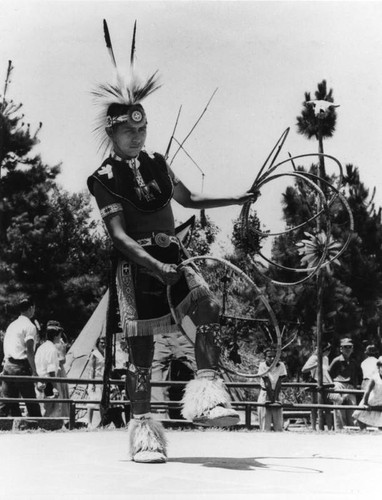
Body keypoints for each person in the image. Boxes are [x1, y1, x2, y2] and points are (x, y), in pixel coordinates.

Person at [87, 22, 258, 463]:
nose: (138, 137)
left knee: (207, 307)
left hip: (174, 253)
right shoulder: (103, 179)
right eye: (129, 132)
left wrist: (235, 196)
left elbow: (189, 199)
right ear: (113, 133)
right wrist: (152, 264)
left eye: (142, 130)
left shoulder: (159, 162)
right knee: (141, 349)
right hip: (136, 264)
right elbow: (120, 236)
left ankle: (207, 396)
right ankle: (144, 434)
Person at [0, 295, 41, 418]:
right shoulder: (30, 326)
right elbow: (29, 350)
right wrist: (34, 370)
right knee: (30, 400)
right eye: (33, 308)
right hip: (20, 366)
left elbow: (6, 345)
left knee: (8, 400)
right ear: (30, 308)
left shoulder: (12, 325)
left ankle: (7, 424)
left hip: (8, 365)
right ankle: (38, 424)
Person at [151, 329, 196, 420]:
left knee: (202, 371)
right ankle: (160, 417)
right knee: (155, 375)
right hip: (160, 331)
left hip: (185, 331)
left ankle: (205, 413)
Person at [328, 337, 361, 429]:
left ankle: (352, 428)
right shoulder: (337, 360)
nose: (348, 349)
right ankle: (340, 429)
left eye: (350, 347)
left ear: (352, 348)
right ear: (341, 349)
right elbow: (328, 373)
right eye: (345, 347)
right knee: (339, 408)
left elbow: (356, 375)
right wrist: (332, 385)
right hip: (338, 384)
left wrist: (354, 387)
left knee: (352, 407)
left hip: (350, 386)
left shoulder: (353, 362)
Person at [301, 342, 334, 430]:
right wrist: (316, 364)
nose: (329, 352)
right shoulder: (314, 358)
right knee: (315, 406)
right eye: (328, 350)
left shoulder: (326, 358)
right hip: (315, 382)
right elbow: (304, 369)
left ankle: (330, 428)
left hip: (325, 383)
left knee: (327, 406)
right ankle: (313, 427)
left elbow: (326, 371)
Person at [35, 321, 62, 417]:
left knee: (43, 407)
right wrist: (55, 386)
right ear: (55, 336)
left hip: (39, 380)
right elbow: (51, 370)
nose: (60, 338)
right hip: (48, 382)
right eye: (59, 335)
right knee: (50, 410)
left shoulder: (41, 347)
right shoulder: (52, 349)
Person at [257, 347, 287, 432]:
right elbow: (267, 383)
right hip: (265, 393)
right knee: (265, 422)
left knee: (278, 423)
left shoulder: (281, 365)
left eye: (274, 356)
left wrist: (276, 398)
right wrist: (270, 399)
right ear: (265, 357)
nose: (272, 358)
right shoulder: (262, 365)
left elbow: (279, 382)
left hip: (277, 392)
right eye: (269, 356)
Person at [353, 356, 382, 430]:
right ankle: (363, 431)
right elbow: (367, 391)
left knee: (380, 421)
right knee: (360, 416)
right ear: (378, 368)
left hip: (380, 402)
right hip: (371, 400)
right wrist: (365, 403)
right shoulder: (375, 378)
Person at [86, 337, 105, 428]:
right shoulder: (94, 354)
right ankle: (89, 422)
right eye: (101, 343)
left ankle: (102, 422)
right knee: (92, 402)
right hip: (95, 379)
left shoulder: (105, 353)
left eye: (104, 343)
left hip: (102, 380)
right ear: (98, 344)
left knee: (102, 402)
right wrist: (92, 382)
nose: (103, 344)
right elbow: (92, 369)